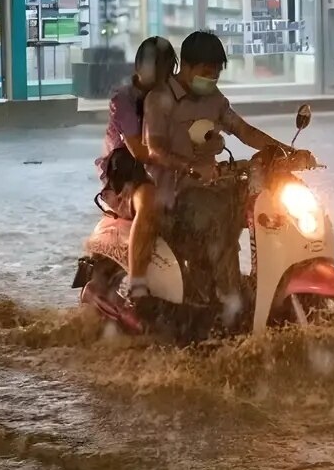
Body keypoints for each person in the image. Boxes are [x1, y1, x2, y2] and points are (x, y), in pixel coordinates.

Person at [142, 31, 291, 320]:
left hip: (209, 187)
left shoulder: (213, 99)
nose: (211, 79)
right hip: (175, 196)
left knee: (267, 204)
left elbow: (243, 130)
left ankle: (264, 285)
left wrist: (285, 152)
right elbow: (154, 150)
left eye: (217, 73)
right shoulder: (160, 99)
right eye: (205, 72)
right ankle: (230, 302)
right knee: (219, 215)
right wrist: (190, 167)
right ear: (185, 66)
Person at [95, 36, 178, 299]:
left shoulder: (171, 97)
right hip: (125, 168)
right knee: (149, 202)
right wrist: (185, 162)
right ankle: (137, 282)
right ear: (138, 67)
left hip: (159, 167)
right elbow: (140, 152)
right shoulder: (123, 100)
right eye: (154, 70)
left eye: (165, 71)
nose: (159, 78)